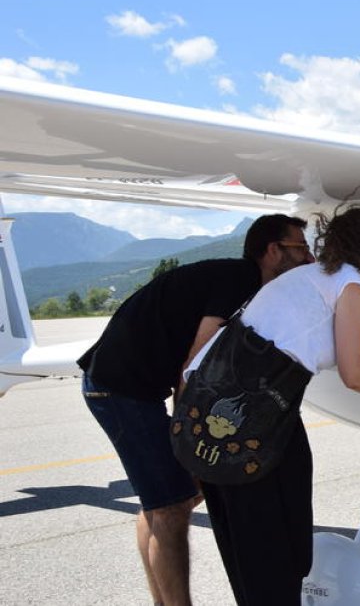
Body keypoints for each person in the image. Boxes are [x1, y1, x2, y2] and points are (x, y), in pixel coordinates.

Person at [188, 207, 360, 605]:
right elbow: (355, 374)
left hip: (226, 409)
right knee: (273, 547)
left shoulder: (310, 277)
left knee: (250, 544)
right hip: (253, 417)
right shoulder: (353, 285)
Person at [77, 214, 311, 606]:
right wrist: (190, 434)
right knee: (170, 509)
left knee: (163, 501)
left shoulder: (234, 277)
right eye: (300, 248)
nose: (308, 258)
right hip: (119, 389)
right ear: (274, 251)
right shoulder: (243, 280)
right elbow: (198, 365)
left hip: (123, 384)